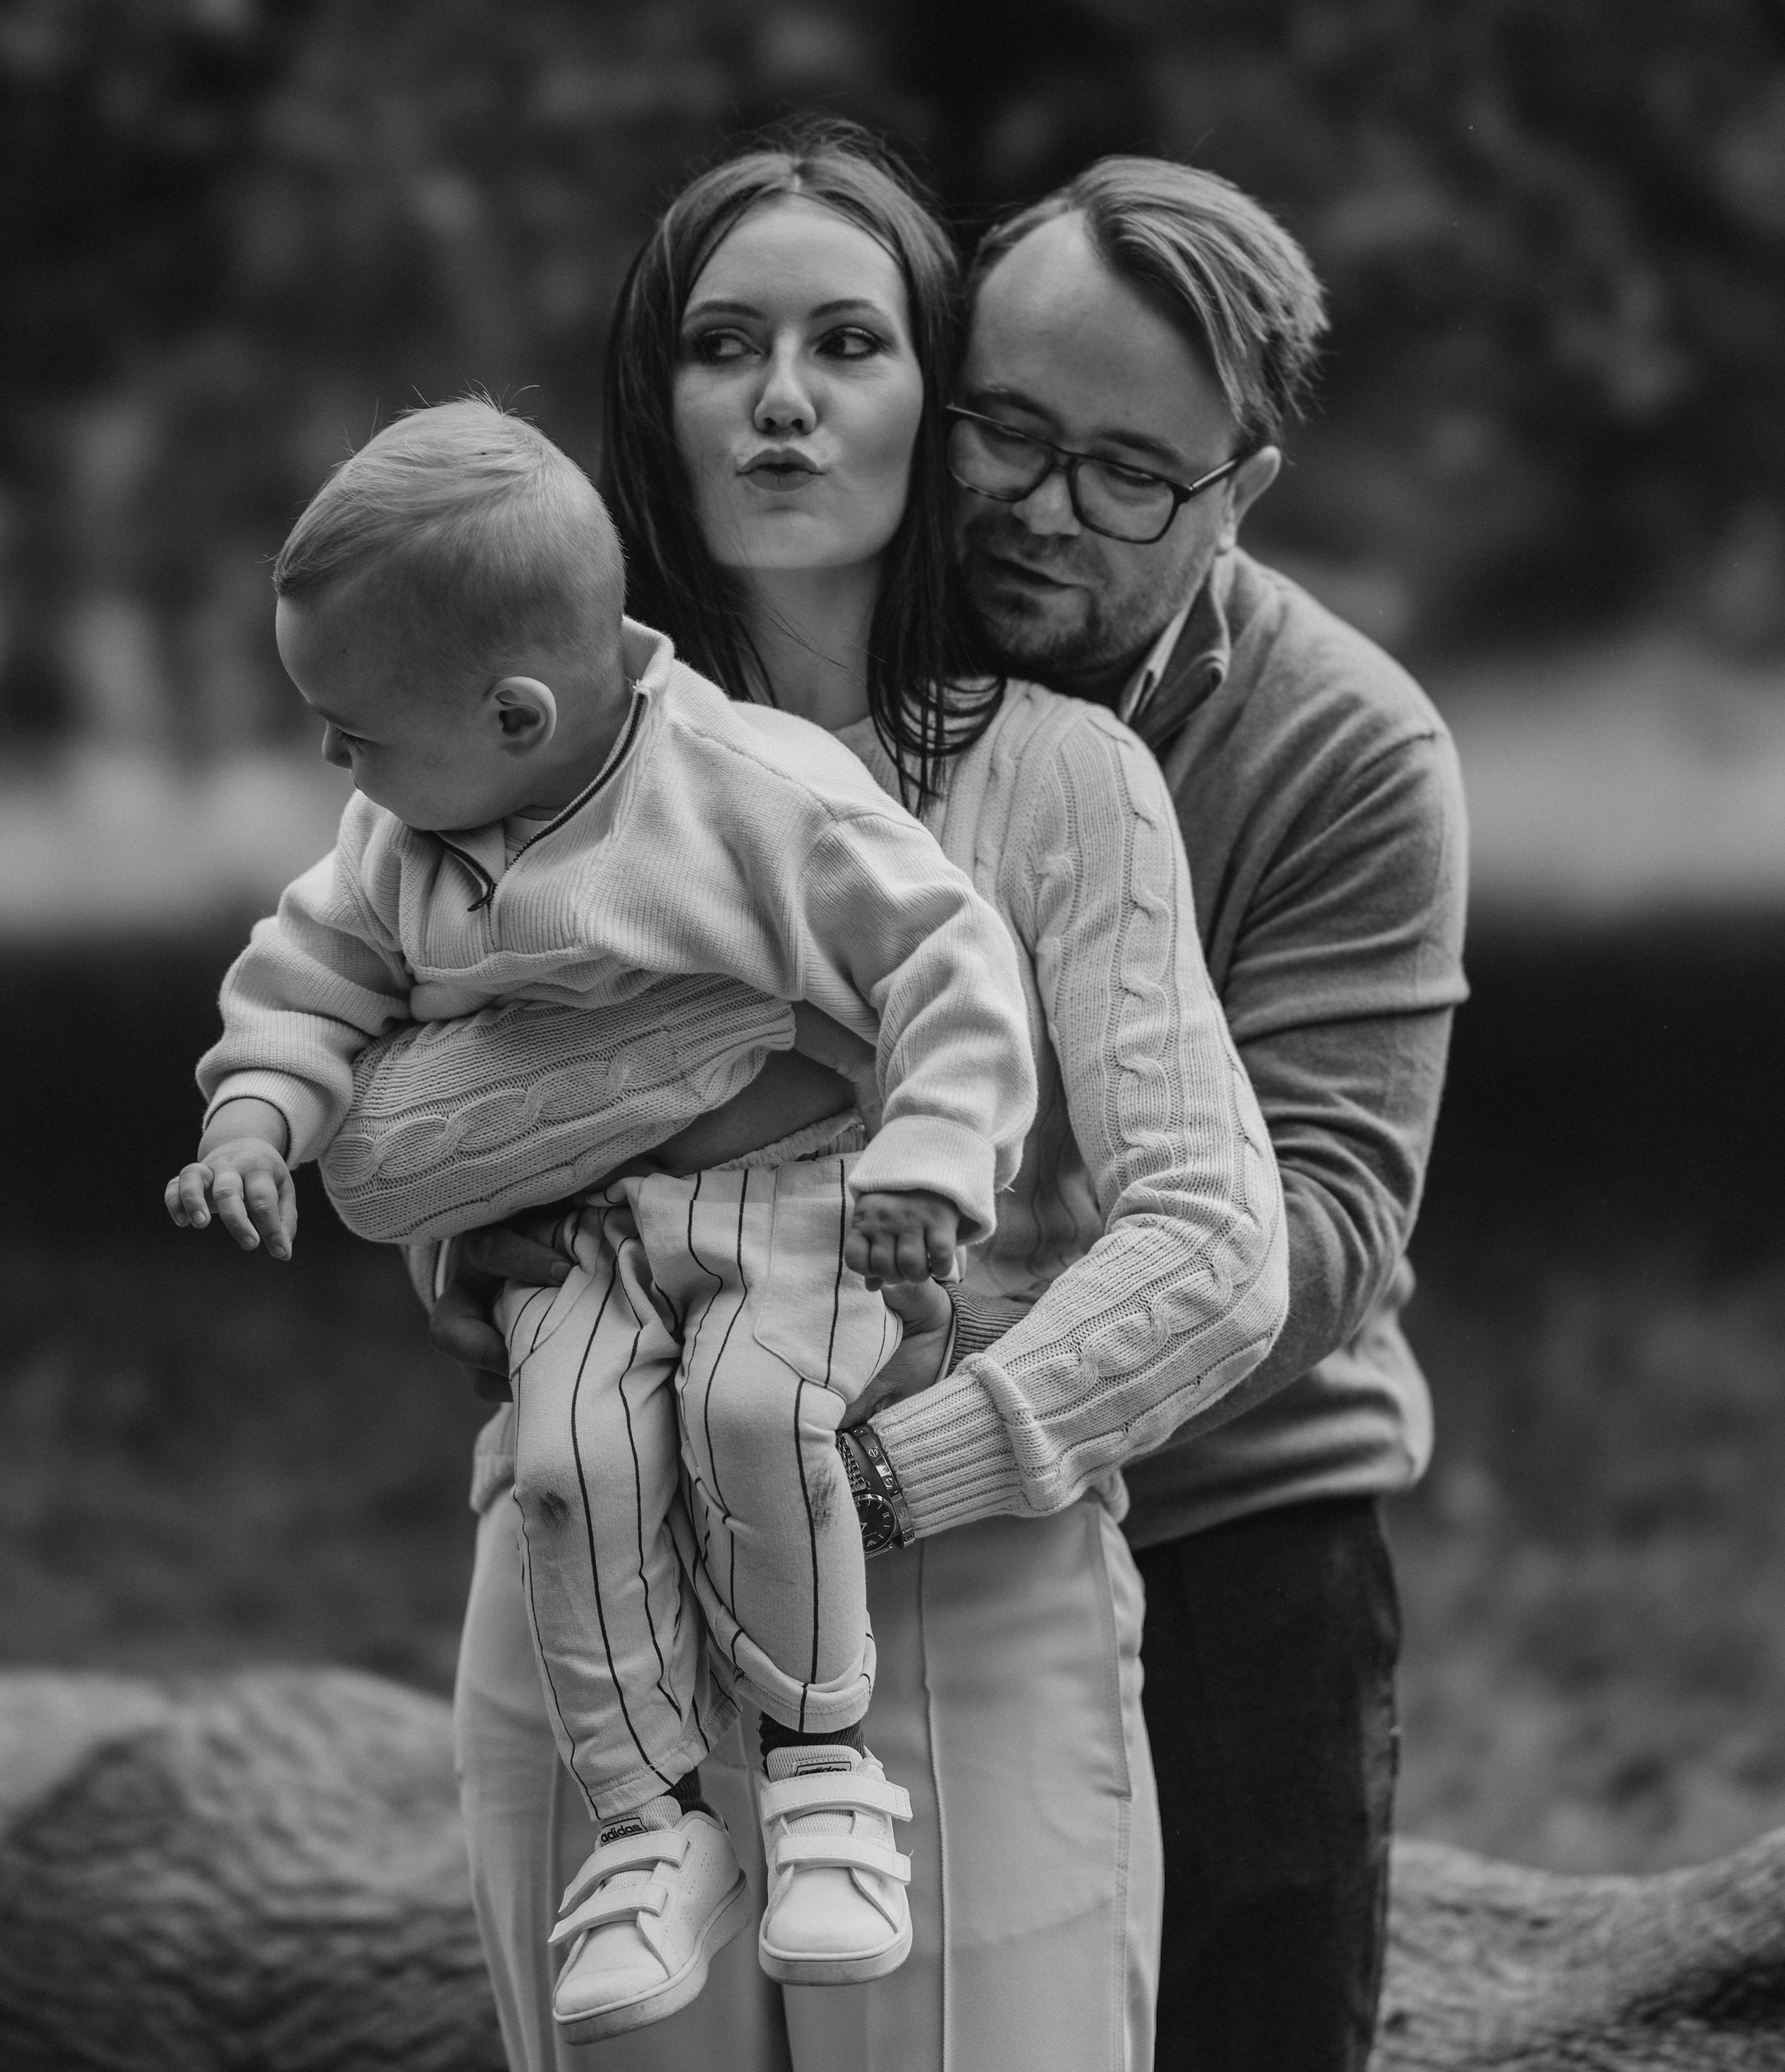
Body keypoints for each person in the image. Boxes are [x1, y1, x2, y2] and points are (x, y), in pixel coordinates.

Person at [320, 124, 1290, 2072]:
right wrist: (752, 1060)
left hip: (966, 1612)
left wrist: (881, 1473)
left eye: (848, 343)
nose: (778, 398)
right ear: (651, 403)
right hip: (589, 1631)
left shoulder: (1056, 785)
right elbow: (380, 1148)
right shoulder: (499, 774)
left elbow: (1216, 1250)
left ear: (932, 401)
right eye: (721, 344)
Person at [163, 395, 1040, 2034]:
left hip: (801, 1207)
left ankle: (817, 1767)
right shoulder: (396, 841)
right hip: (586, 1245)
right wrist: (253, 1121)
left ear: (510, 711)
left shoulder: (749, 793)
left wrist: (931, 1155)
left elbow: (950, 962)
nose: (332, 763)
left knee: (752, 1410)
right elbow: (303, 987)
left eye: (351, 729)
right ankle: (654, 1824)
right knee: (570, 1468)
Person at [950, 157, 1470, 2072]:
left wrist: (934, 1371)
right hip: (815, 1520)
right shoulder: (815, 647)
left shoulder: (1347, 745)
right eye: (999, 430)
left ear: (1236, 492)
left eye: (1124, 476)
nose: (1033, 509)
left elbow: (1326, 1227)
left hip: (1225, 1519)